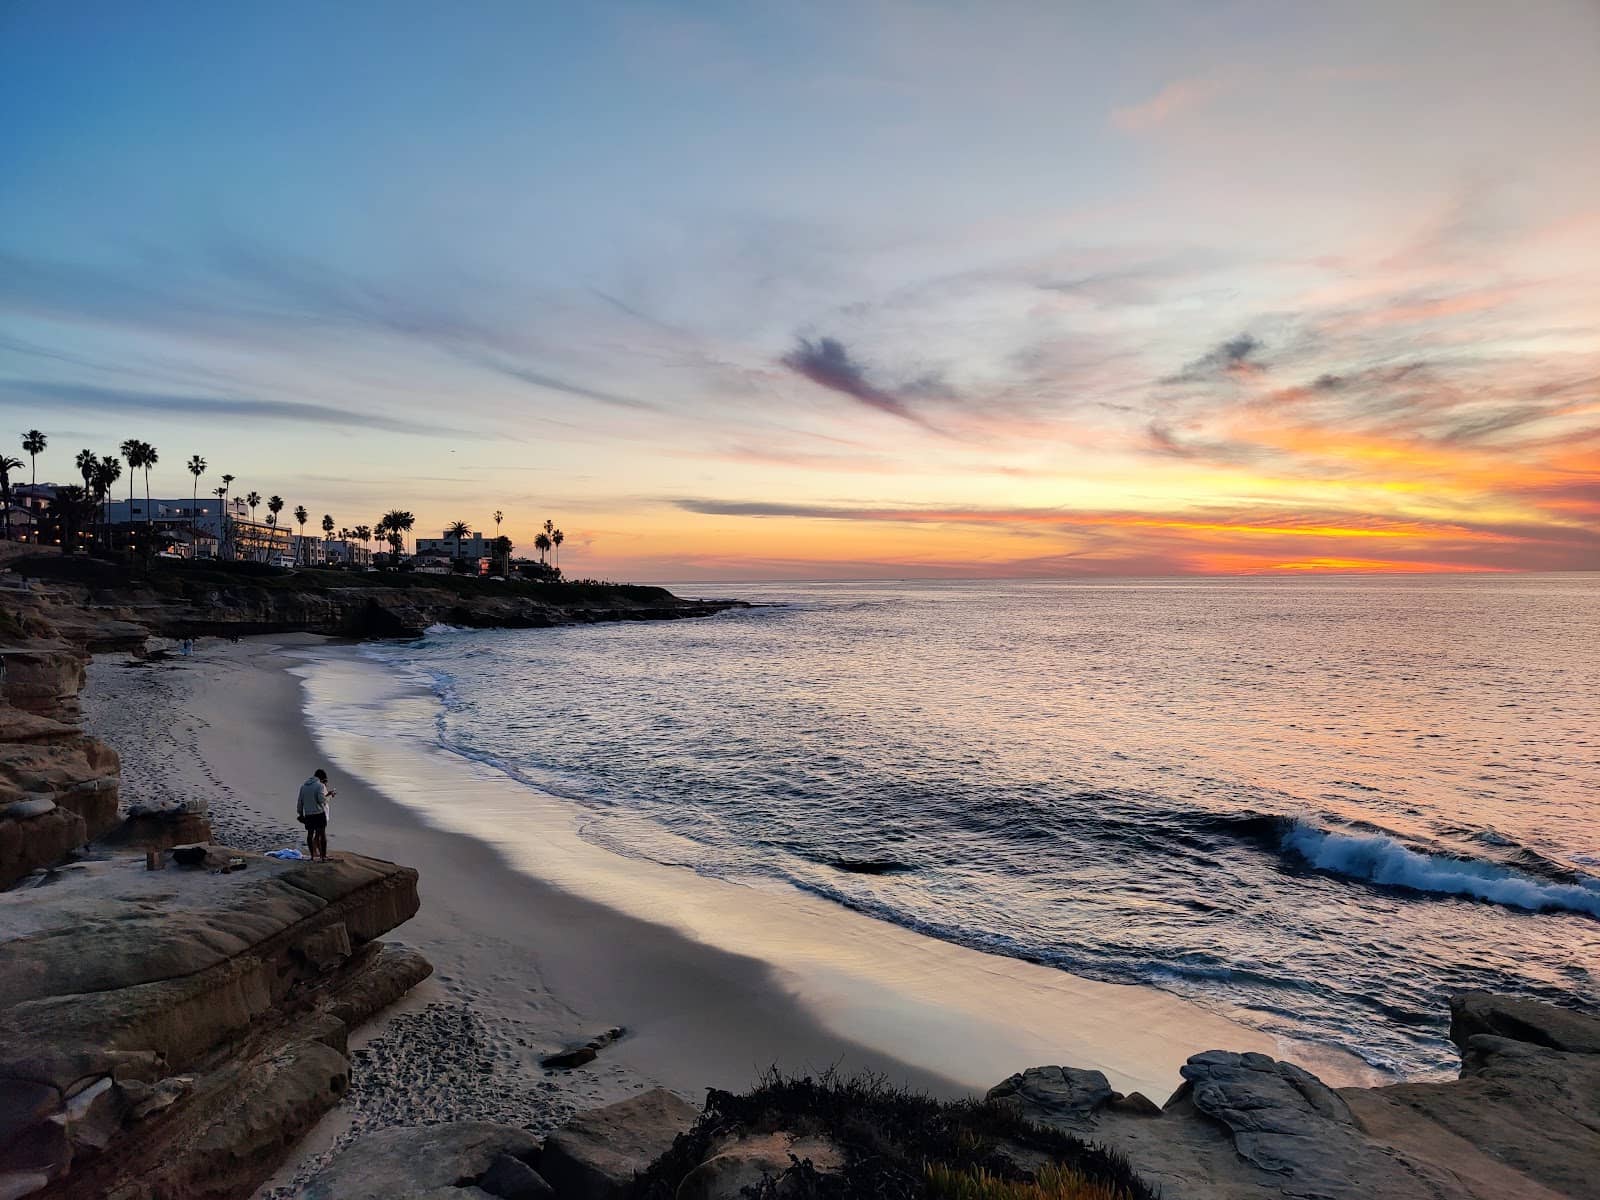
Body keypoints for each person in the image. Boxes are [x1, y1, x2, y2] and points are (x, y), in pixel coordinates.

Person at [296, 769, 336, 862]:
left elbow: (300, 802)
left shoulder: (303, 787)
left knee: (310, 835)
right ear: (321, 778)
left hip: (308, 814)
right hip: (318, 814)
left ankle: (312, 856)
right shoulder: (320, 786)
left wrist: (301, 814)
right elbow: (322, 800)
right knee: (322, 834)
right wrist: (330, 796)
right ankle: (323, 856)